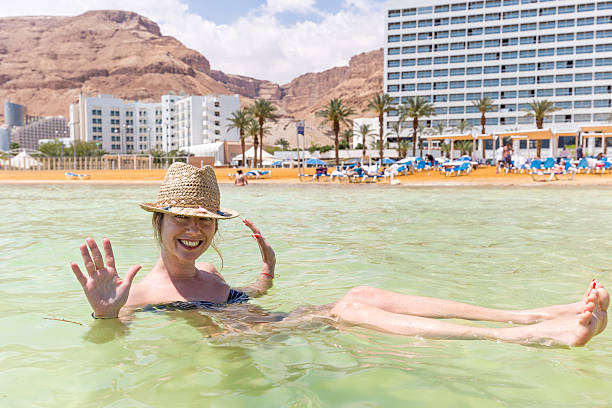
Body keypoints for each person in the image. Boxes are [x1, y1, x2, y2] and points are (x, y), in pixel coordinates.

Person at [71, 162, 609, 347]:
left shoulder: (211, 270)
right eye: (181, 219)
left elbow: (244, 299)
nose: (193, 230)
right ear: (158, 222)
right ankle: (527, 338)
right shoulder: (139, 294)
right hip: (257, 339)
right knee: (348, 309)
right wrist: (103, 313)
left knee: (362, 292)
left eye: (204, 221)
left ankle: (532, 313)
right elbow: (112, 337)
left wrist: (266, 276)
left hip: (272, 322)